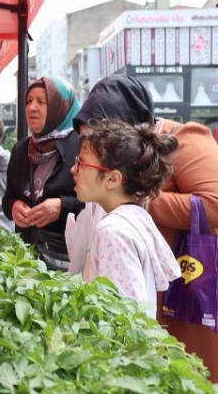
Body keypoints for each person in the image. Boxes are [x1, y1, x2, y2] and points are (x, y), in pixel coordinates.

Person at [69, 73, 218, 381]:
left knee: (188, 374)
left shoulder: (185, 138)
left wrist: (136, 198)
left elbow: (215, 204)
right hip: (152, 294)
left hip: (189, 293)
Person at [71, 119, 181, 318]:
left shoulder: (112, 232)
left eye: (81, 163)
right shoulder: (136, 217)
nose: (73, 169)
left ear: (112, 179)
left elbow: (124, 319)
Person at [2, 76, 83, 271]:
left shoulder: (82, 146)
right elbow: (8, 198)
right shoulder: (21, 148)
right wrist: (14, 206)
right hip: (25, 258)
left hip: (66, 260)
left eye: (41, 101)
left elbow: (96, 203)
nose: (32, 107)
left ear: (59, 106)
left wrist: (62, 206)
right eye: (29, 101)